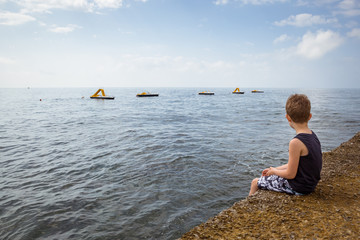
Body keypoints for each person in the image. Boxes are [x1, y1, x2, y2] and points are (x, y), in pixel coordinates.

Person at [249, 94, 322, 196]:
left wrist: (274, 172)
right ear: (309, 116)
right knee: (269, 176)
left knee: (255, 182)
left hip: (298, 187)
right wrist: (275, 169)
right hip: (310, 185)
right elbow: (297, 165)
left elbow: (290, 174)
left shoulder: (296, 142)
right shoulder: (313, 136)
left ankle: (251, 209)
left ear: (288, 117)